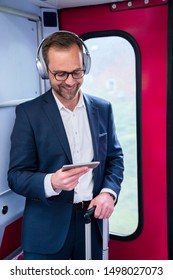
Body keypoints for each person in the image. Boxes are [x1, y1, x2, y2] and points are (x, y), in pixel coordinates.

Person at [8, 31, 124, 260]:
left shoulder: (103, 108)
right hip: (45, 233)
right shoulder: (28, 114)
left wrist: (108, 193)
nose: (70, 82)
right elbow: (16, 176)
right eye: (60, 74)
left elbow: (115, 159)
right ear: (44, 71)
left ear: (85, 66)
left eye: (76, 72)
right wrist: (50, 182)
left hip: (92, 226)